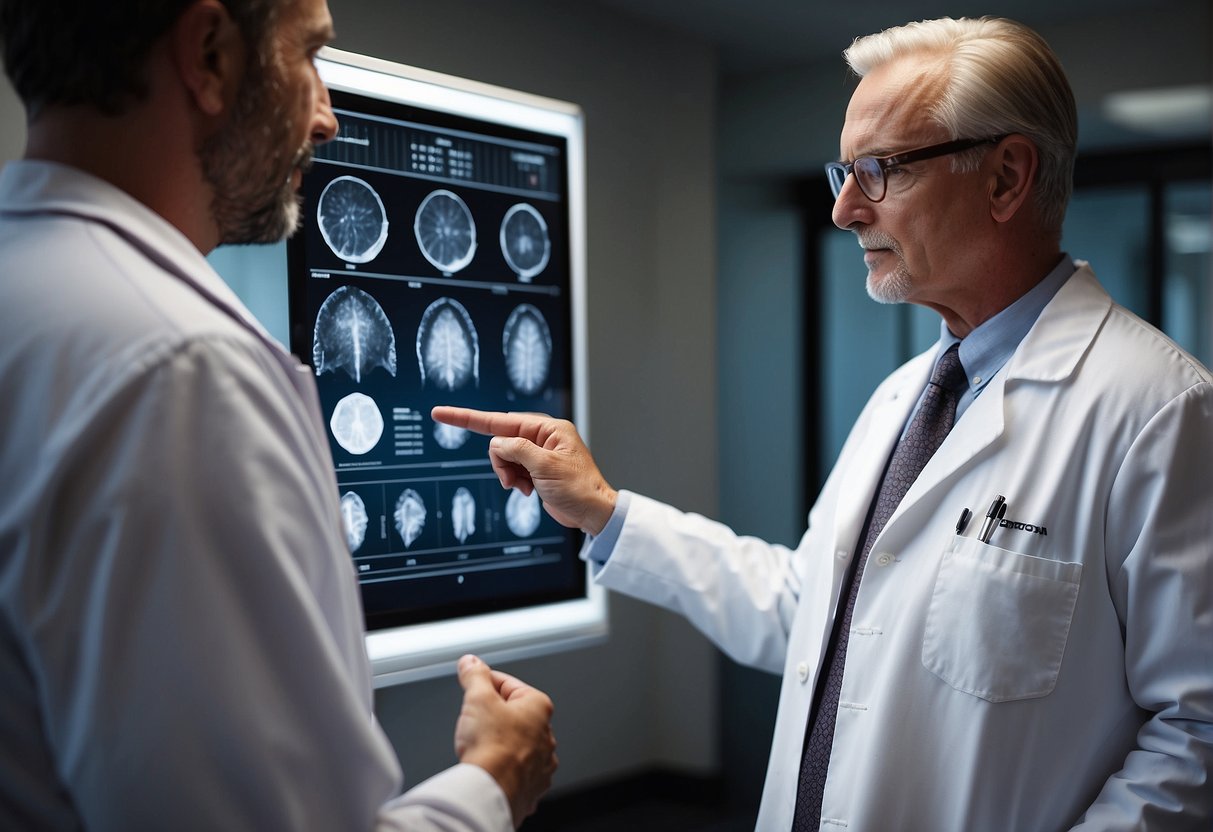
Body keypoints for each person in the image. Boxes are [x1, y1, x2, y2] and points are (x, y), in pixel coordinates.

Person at [433, 16, 1213, 831]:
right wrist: (601, 510)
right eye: (844, 171)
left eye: (879, 171)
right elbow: (808, 611)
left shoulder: (1158, 412)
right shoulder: (905, 398)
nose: (843, 210)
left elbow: (1195, 733)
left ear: (1005, 178)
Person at [0, 0, 557, 829]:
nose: (327, 117)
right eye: (309, 57)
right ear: (210, 55)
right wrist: (494, 781)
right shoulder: (185, 373)